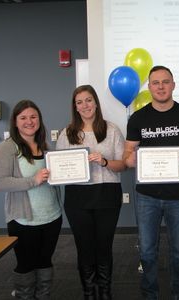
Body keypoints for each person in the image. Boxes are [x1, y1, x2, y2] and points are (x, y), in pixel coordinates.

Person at [123, 65, 179, 300]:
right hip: (146, 196)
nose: (160, 86)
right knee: (148, 252)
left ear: (173, 85)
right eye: (156, 82)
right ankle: (150, 294)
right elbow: (127, 158)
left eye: (165, 82)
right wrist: (133, 160)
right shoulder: (138, 118)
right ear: (149, 87)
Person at [56, 85, 126, 300]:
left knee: (103, 246)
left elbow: (123, 164)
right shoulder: (66, 133)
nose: (85, 105)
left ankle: (105, 292)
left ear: (96, 103)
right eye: (80, 102)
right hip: (77, 198)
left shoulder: (111, 129)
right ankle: (89, 292)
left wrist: (103, 161)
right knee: (84, 247)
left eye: (88, 100)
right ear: (75, 107)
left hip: (107, 194)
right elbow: (60, 167)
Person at [0, 100, 62, 300]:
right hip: (24, 221)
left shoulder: (44, 146)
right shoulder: (7, 148)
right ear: (14, 121)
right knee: (26, 265)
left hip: (52, 217)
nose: (29, 121)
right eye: (23, 118)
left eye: (33, 117)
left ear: (39, 120)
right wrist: (33, 180)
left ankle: (43, 295)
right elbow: (0, 183)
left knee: (45, 262)